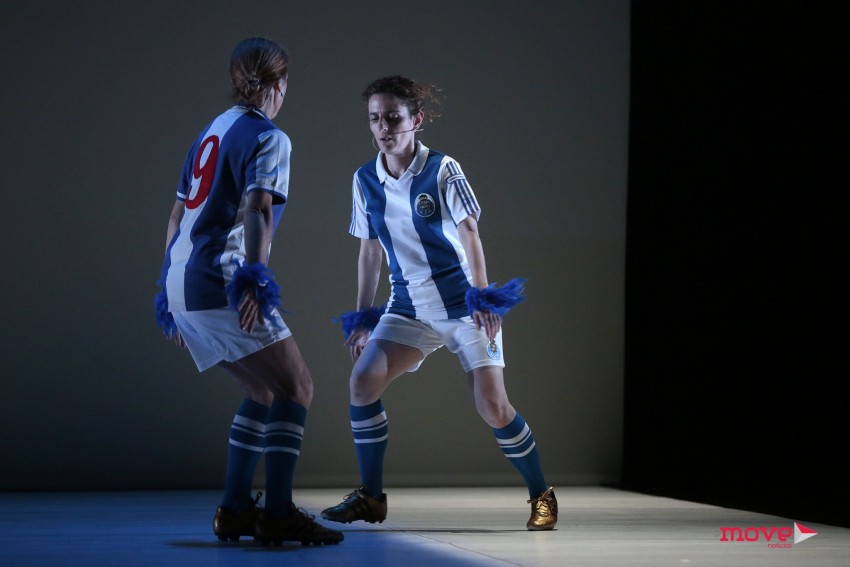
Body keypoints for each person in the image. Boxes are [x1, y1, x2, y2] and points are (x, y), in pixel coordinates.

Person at [320, 75, 557, 531]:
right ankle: (371, 497)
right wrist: (363, 317)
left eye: (393, 117)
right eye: (375, 119)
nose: (384, 127)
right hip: (408, 309)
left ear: (417, 120)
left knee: (493, 407)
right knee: (362, 382)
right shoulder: (364, 179)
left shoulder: (443, 169)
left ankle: (541, 494)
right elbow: (369, 251)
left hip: (464, 308)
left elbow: (470, 232)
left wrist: (483, 296)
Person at [154, 37, 343, 546]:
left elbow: (176, 215)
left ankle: (235, 509)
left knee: (262, 390)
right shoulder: (269, 136)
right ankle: (277, 514)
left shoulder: (211, 129)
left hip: (182, 280)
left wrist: (168, 295)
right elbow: (258, 208)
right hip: (220, 278)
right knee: (298, 387)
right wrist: (255, 279)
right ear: (278, 85)